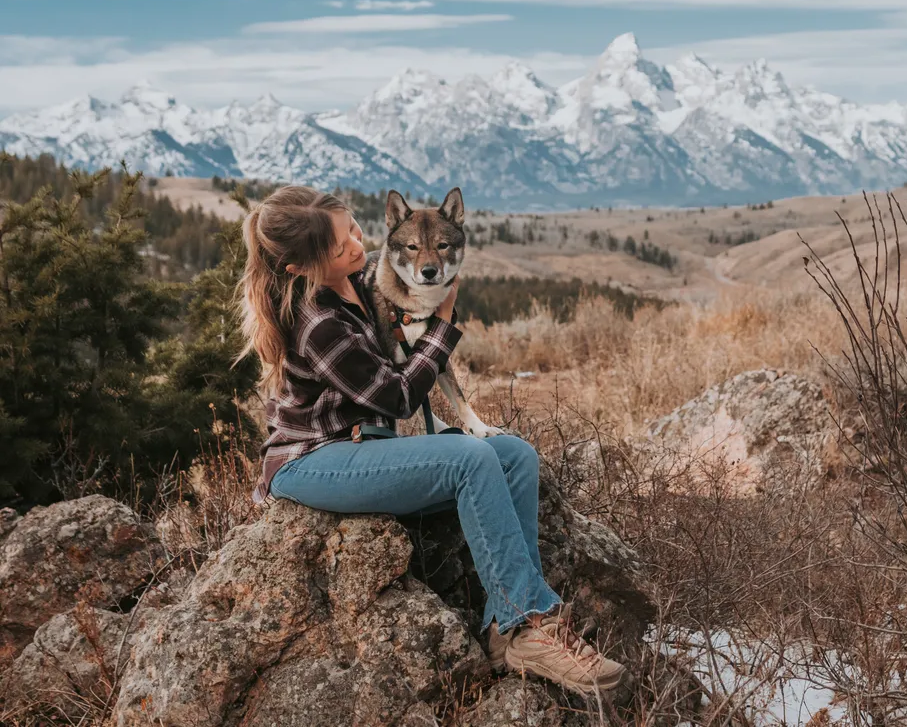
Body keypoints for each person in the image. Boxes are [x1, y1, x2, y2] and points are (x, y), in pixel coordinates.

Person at [236, 185, 626, 696]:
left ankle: (508, 624)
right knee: (468, 457)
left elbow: (412, 283)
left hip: (366, 443)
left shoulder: (362, 277)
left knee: (513, 456)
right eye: (340, 247)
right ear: (302, 268)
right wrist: (442, 325)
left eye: (355, 228)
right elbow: (395, 399)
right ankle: (529, 624)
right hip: (313, 460)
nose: (358, 246)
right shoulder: (316, 320)